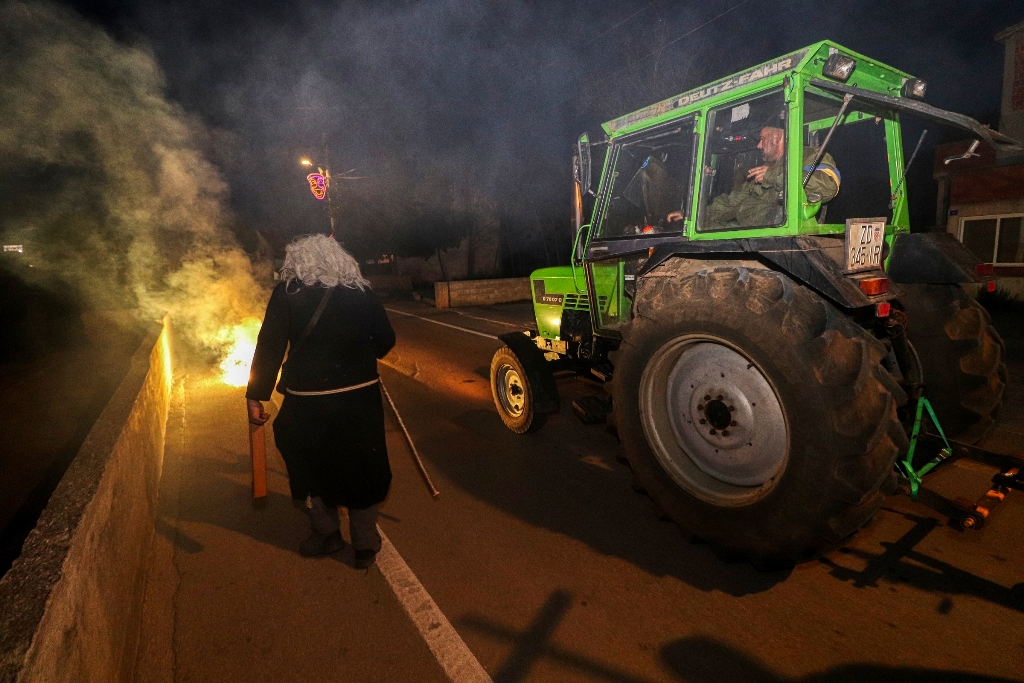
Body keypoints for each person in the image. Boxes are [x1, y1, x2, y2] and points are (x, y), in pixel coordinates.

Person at [246, 234, 396, 568]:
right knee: (363, 465)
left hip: (307, 403)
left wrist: (256, 395)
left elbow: (269, 345)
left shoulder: (287, 293)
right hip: (360, 400)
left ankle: (327, 534)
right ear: (341, 259)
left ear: (297, 261)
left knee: (311, 466)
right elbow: (386, 339)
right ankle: (364, 544)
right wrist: (357, 361)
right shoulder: (362, 293)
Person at [688, 125, 840, 229]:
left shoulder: (810, 156)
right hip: (748, 236)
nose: (759, 145)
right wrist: (693, 216)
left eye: (763, 139)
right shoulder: (764, 168)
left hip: (782, 240)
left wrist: (773, 176)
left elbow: (829, 186)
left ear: (778, 136)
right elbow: (731, 203)